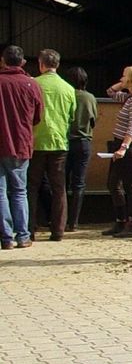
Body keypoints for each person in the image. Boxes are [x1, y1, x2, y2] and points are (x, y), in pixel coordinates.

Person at [28, 49, 75, 242]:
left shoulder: (34, 84)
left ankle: (29, 228)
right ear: (58, 64)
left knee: (31, 187)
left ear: (41, 64)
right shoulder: (68, 89)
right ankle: (58, 230)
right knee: (59, 188)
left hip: (36, 141)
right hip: (59, 142)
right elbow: (72, 116)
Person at [0, 45, 44, 250]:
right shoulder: (31, 84)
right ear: (23, 62)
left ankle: (6, 238)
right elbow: (37, 117)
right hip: (20, 143)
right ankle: (23, 236)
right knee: (19, 191)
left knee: (0, 192)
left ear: (3, 61)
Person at [102, 65, 132, 238]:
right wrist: (121, 84)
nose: (121, 78)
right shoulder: (130, 97)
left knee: (130, 186)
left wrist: (124, 146)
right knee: (113, 183)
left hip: (131, 147)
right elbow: (110, 92)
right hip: (121, 144)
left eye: (125, 76)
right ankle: (120, 220)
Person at [63, 66, 98, 231]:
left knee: (61, 182)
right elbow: (93, 120)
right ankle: (74, 222)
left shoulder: (65, 94)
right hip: (83, 142)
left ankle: (59, 219)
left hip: (65, 141)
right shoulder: (89, 97)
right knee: (79, 183)